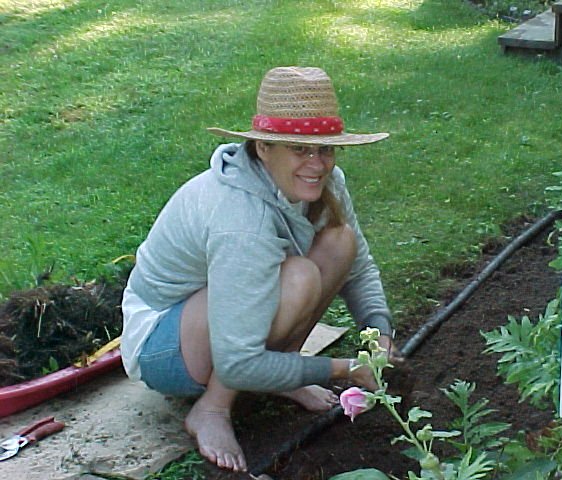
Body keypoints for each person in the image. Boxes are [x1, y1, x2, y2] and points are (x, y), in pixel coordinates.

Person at [120, 66, 402, 473]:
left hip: (220, 318)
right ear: (264, 148)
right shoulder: (240, 217)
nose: (317, 164)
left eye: (325, 149)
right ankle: (212, 410)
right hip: (164, 344)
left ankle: (283, 370)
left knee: (340, 242)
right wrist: (343, 369)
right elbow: (237, 362)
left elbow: (358, 269)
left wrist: (381, 334)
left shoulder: (328, 183)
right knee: (298, 277)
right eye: (300, 149)